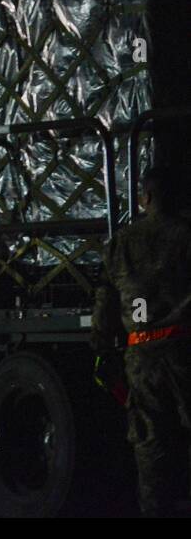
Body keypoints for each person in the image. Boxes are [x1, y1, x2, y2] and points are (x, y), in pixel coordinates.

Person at [92, 163, 191, 517]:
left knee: (150, 444)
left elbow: (105, 303)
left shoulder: (121, 242)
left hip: (141, 353)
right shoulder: (186, 235)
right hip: (183, 351)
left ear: (145, 196)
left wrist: (102, 348)